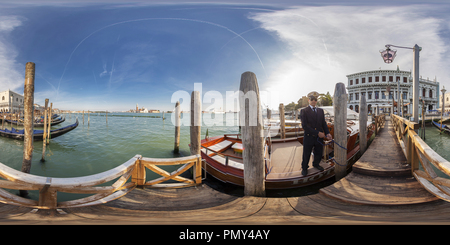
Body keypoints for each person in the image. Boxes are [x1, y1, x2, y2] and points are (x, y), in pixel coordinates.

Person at [300, 91, 332, 176]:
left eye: (315, 99)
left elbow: (323, 123)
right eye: (312, 99)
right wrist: (318, 133)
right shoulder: (304, 111)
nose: (313, 101)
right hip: (309, 136)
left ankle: (316, 164)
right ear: (308, 100)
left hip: (319, 137)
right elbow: (305, 126)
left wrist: (328, 133)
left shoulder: (321, 111)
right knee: (306, 153)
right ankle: (304, 168)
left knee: (318, 152)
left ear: (316, 101)